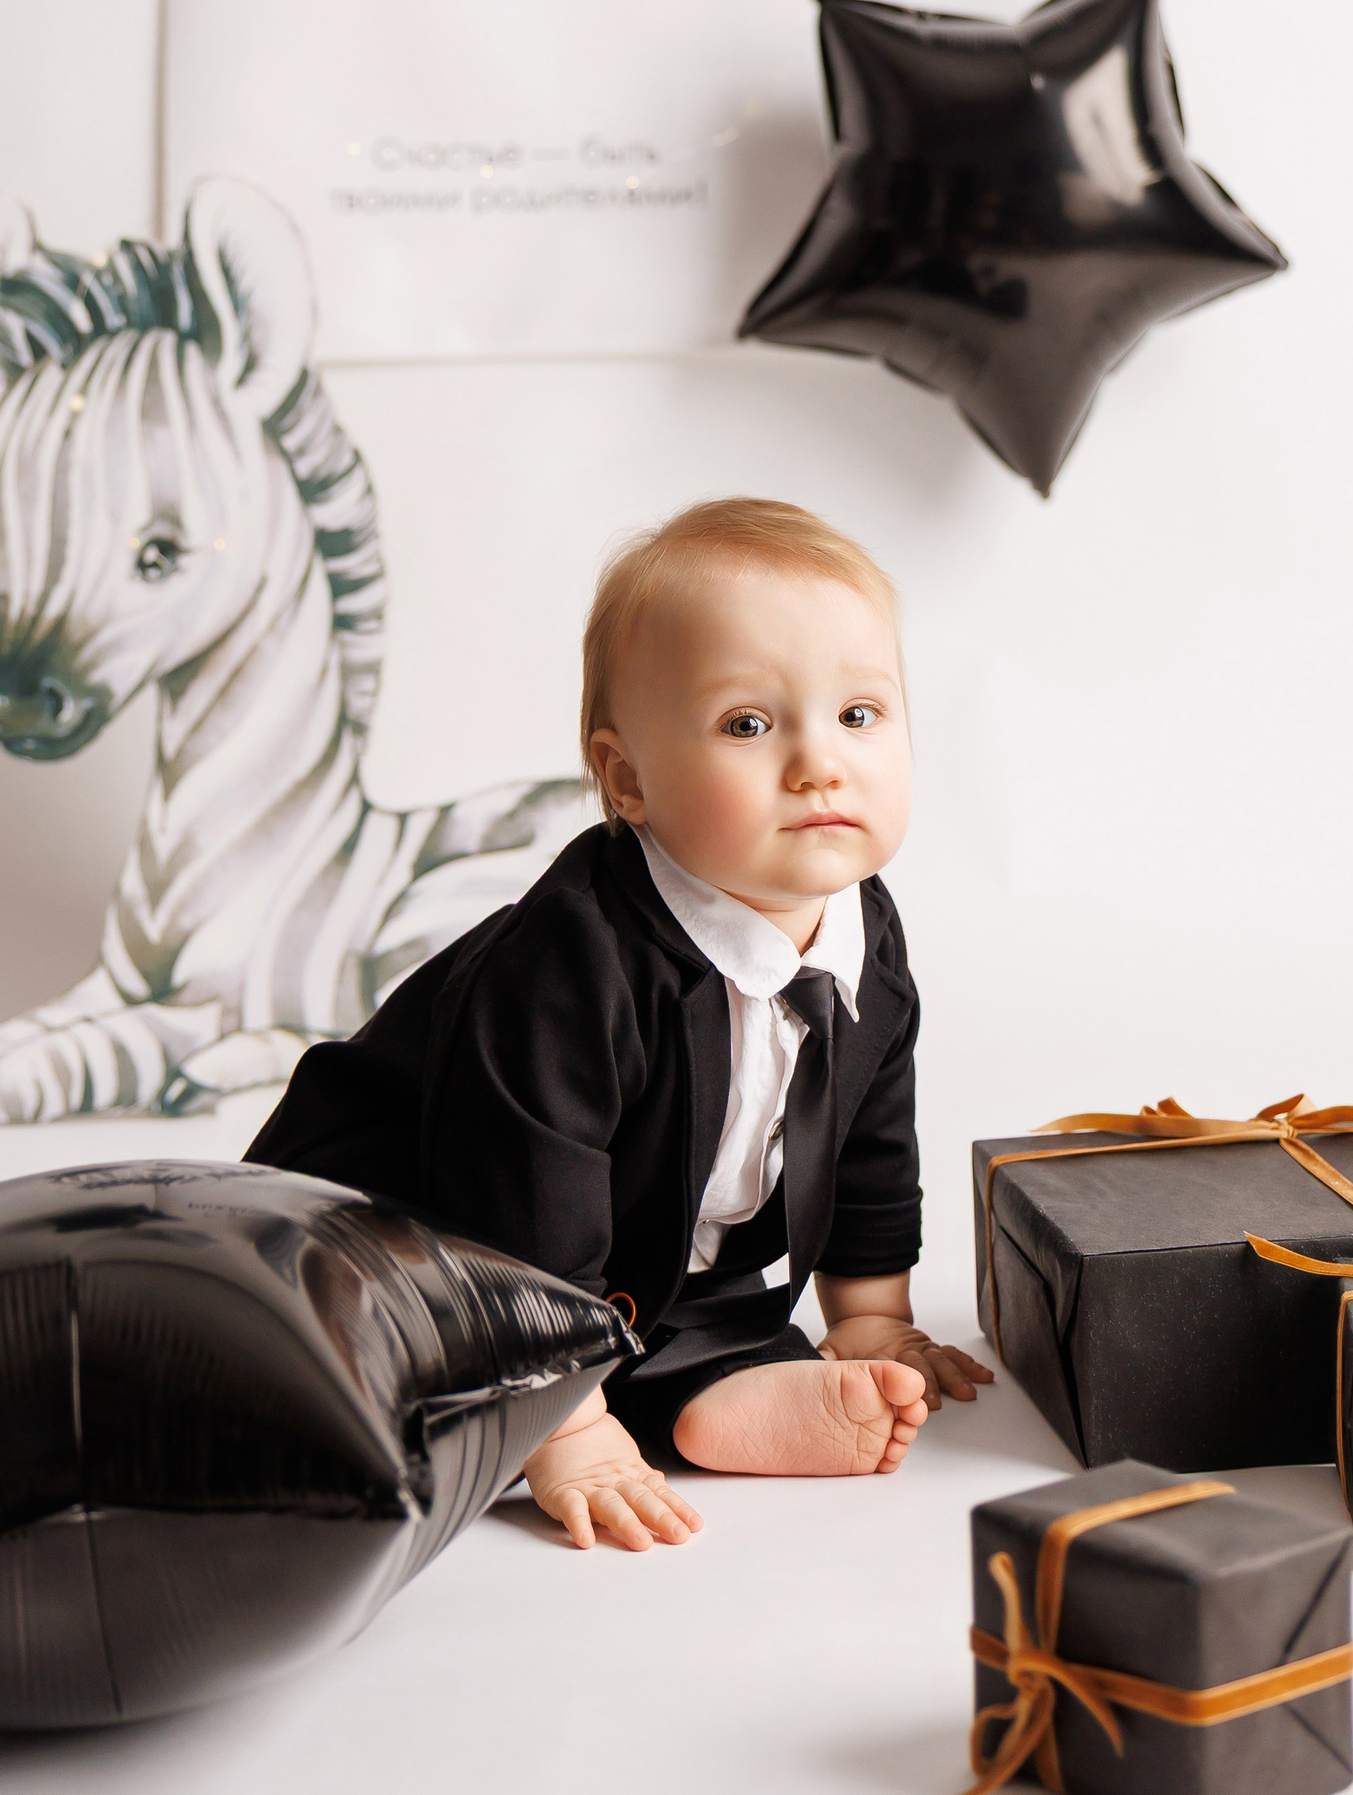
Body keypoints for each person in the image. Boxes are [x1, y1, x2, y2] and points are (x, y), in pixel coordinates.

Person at [247, 496, 990, 1550]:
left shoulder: (861, 928)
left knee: (708, 1305)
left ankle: (704, 1393)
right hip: (412, 1229)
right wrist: (568, 1427)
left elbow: (871, 1130)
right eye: (748, 725)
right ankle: (571, 1404)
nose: (819, 763)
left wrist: (870, 1314)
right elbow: (527, 1198)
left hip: (638, 1256)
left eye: (859, 715)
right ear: (628, 778)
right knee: (388, 1358)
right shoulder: (571, 963)